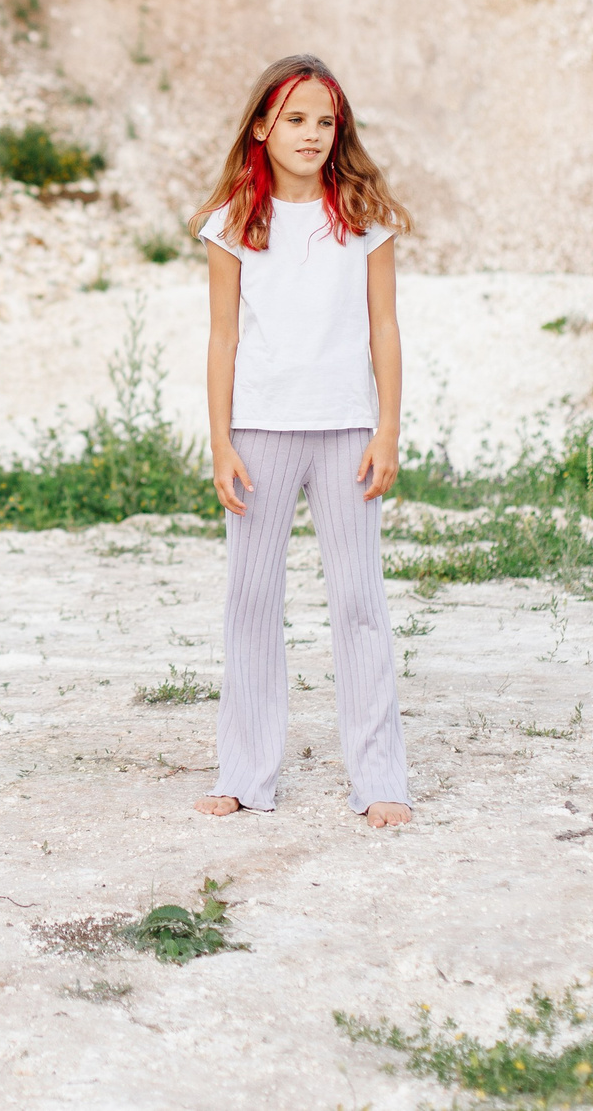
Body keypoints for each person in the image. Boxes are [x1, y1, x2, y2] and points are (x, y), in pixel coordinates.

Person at [189, 55, 415, 827]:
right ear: (262, 125)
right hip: (259, 429)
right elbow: (222, 339)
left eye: (325, 121)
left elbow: (384, 325)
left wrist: (387, 427)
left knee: (358, 601)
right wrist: (220, 441)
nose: (312, 133)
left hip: (347, 427)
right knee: (251, 603)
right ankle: (246, 773)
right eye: (295, 118)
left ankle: (380, 778)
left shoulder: (363, 214)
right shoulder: (231, 220)